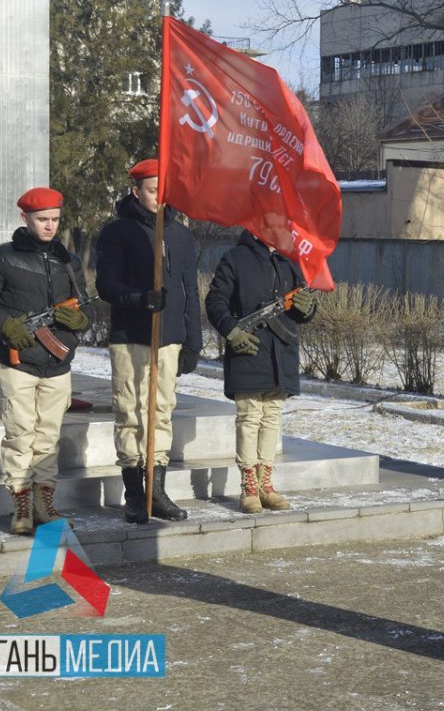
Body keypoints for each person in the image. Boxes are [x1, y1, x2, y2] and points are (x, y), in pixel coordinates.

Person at [0, 187, 91, 535]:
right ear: (25, 219)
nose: (50, 226)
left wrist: (80, 324)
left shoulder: (68, 260)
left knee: (48, 439)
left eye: (55, 220)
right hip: (18, 363)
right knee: (20, 435)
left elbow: (82, 307)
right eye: (42, 220)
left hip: (58, 365)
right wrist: (5, 324)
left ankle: (44, 505)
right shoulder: (1, 257)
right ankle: (21, 506)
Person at [95, 158, 203, 524]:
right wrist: (140, 298)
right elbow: (106, 285)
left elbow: (190, 291)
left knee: (160, 412)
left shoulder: (181, 235)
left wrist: (193, 341)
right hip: (131, 337)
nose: (159, 197)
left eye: (163, 190)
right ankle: (134, 494)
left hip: (168, 340)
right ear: (136, 191)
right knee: (131, 412)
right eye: (153, 190)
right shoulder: (117, 232)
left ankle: (157, 490)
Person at [204, 218, 317, 513]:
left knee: (272, 417)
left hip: (281, 352)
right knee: (249, 417)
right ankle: (249, 487)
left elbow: (301, 304)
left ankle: (266, 484)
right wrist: (232, 331)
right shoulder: (235, 259)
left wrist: (308, 308)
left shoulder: (289, 260)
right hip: (249, 350)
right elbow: (216, 302)